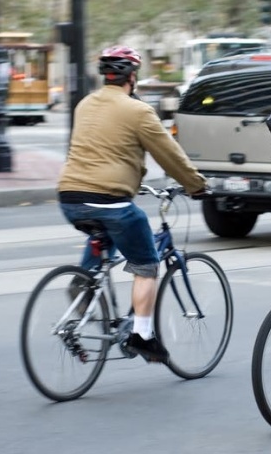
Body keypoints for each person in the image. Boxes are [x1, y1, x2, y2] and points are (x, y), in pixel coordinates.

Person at [57, 46, 208, 364]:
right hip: (110, 200)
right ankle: (142, 335)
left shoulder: (85, 104)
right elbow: (169, 154)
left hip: (70, 197)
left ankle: (84, 284)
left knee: (106, 234)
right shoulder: (138, 111)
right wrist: (197, 186)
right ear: (133, 77)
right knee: (146, 264)